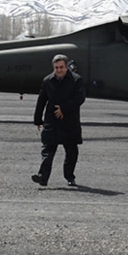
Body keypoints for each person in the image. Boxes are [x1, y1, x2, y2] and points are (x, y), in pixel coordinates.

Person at [31, 54, 86, 187]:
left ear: (66, 67)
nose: (59, 70)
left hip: (69, 121)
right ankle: (42, 177)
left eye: (61, 67)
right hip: (52, 121)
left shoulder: (76, 80)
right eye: (56, 68)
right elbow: (42, 100)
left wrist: (64, 109)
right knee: (48, 150)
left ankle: (69, 177)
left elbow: (80, 98)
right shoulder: (47, 80)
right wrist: (38, 119)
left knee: (71, 152)